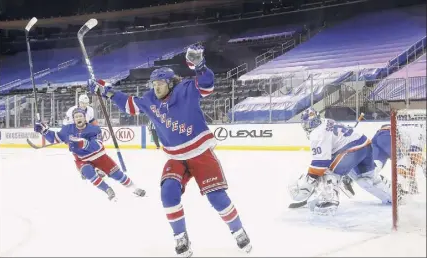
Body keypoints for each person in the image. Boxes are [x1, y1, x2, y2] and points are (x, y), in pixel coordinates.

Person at [88, 46, 251, 257]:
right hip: (175, 157)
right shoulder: (149, 99)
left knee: (216, 196)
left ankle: (238, 230)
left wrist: (200, 66)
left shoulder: (185, 89)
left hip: (200, 153)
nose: (156, 87)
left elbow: (207, 85)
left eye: (160, 83)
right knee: (168, 193)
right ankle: (180, 237)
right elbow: (129, 105)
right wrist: (106, 90)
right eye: (154, 84)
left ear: (171, 82)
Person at [288, 108, 392, 215]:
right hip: (365, 144)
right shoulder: (327, 121)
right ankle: (394, 195)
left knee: (328, 172)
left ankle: (328, 202)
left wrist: (309, 181)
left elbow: (320, 165)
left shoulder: (317, 134)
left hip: (352, 150)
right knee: (367, 178)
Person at [34, 108, 146, 201]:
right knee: (88, 172)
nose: (78, 118)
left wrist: (82, 143)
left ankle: (134, 188)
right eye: (76, 116)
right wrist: (44, 131)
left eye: (80, 116)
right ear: (73, 119)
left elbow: (98, 145)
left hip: (99, 157)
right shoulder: (68, 129)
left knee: (117, 175)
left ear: (85, 118)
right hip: (82, 159)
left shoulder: (94, 129)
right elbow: (55, 138)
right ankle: (108, 190)